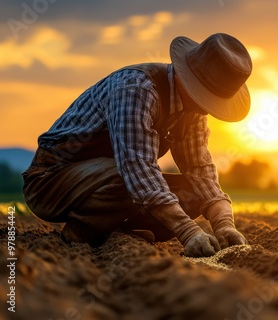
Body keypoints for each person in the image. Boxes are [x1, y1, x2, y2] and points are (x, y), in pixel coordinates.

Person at [22, 33, 252, 257]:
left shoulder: (192, 108)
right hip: (51, 181)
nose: (208, 107)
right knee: (128, 177)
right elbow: (136, 168)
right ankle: (78, 236)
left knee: (193, 192)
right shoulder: (136, 89)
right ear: (189, 80)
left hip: (108, 178)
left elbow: (200, 171)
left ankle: (114, 231)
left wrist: (224, 224)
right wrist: (187, 231)